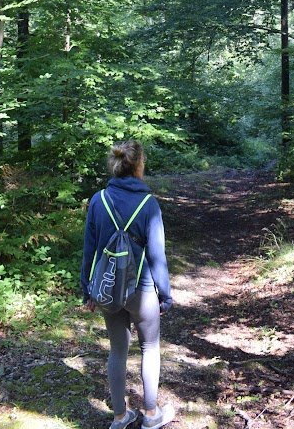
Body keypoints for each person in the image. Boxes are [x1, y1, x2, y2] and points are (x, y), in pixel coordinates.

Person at [81, 140, 175, 429]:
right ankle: (150, 415)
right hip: (142, 287)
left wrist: (87, 289)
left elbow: (90, 250)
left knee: (117, 350)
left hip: (109, 287)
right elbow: (157, 256)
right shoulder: (149, 204)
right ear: (139, 164)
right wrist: (165, 296)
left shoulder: (99, 200)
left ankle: (120, 416)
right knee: (150, 348)